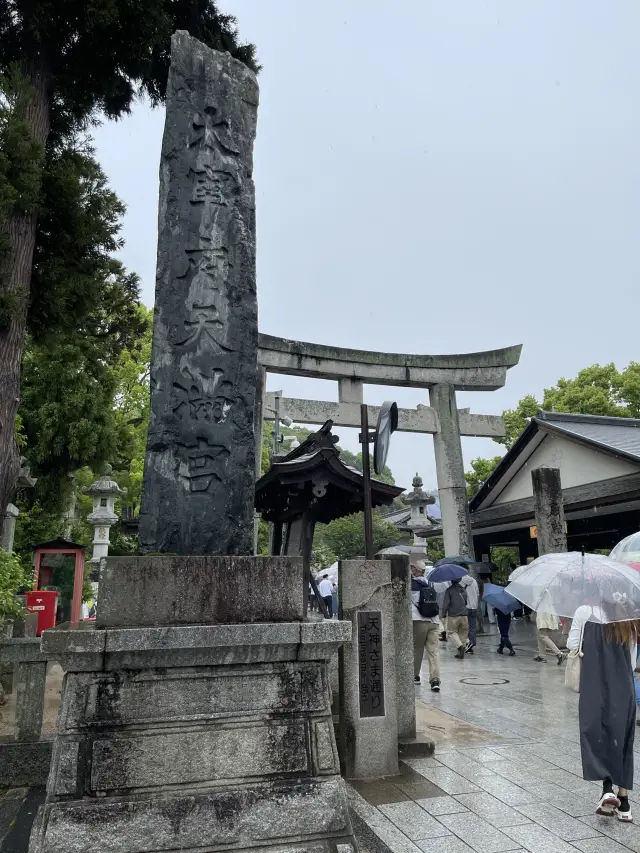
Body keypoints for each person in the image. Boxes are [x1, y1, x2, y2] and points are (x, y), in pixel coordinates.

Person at [568, 605, 640, 822]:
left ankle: (607, 789)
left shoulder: (583, 612)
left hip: (595, 684)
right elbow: (632, 660)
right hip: (623, 685)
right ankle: (624, 801)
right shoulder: (628, 615)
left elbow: (572, 645)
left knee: (597, 733)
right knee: (622, 738)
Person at [410, 560, 441, 691]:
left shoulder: (411, 585)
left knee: (417, 649)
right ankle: (435, 680)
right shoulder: (430, 583)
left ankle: (415, 676)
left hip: (419, 621)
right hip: (434, 621)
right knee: (434, 651)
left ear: (415, 569)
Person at [441, 578, 468, 659]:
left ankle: (460, 647)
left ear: (451, 580)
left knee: (451, 632)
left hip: (453, 615)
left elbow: (446, 604)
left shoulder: (449, 590)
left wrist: (443, 613)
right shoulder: (463, 589)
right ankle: (460, 653)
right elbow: (466, 602)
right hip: (464, 615)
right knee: (463, 634)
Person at [534, 600, 567, 664]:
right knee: (539, 634)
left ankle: (559, 654)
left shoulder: (542, 594)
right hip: (544, 611)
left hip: (543, 613)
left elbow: (538, 600)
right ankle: (541, 655)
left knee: (542, 635)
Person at [461, 574, 479, 654]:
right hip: (474, 607)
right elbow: (477, 593)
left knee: (464, 627)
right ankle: (471, 643)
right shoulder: (474, 581)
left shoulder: (460, 581)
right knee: (472, 627)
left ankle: (467, 643)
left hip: (465, 607)